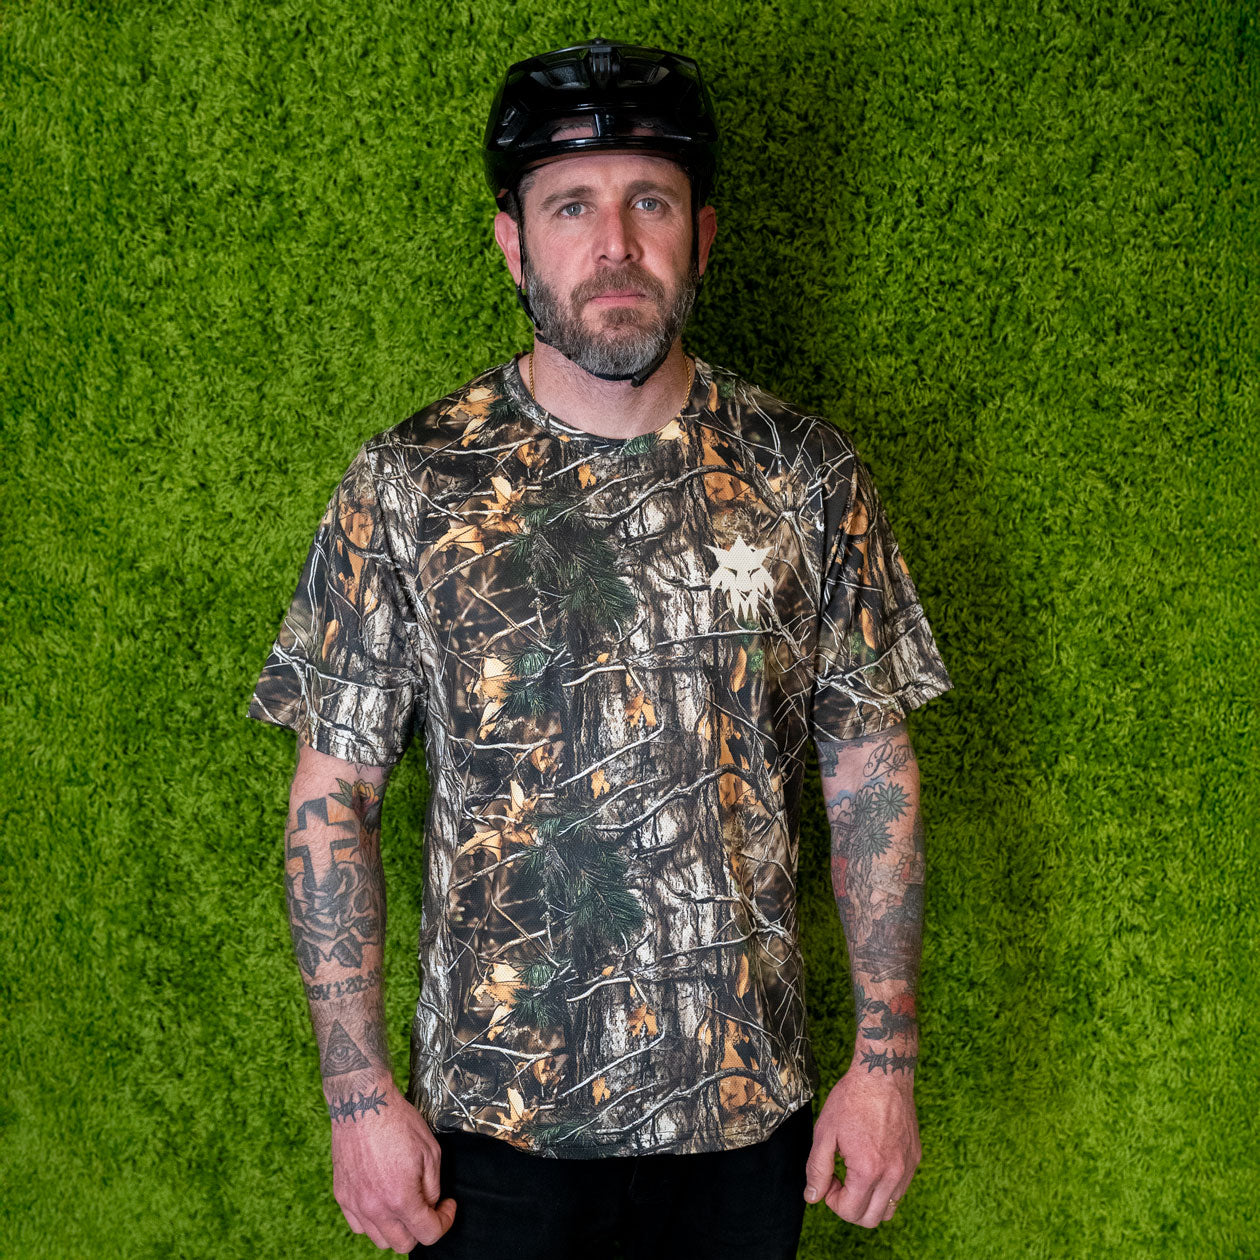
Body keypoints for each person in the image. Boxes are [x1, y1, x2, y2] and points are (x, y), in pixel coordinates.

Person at [247, 37, 952, 1259]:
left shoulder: (806, 477)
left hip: (745, 1126)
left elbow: (869, 777)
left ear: (703, 235)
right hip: (491, 1141)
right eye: (571, 205)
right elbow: (333, 799)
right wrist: (357, 1099)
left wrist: (884, 1063)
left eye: (650, 202)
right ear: (514, 242)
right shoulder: (411, 485)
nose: (614, 244)